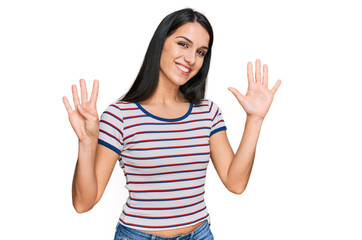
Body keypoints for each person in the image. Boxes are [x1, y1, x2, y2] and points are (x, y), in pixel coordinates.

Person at [62, 8, 281, 240]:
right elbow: (83, 203)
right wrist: (86, 142)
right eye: (183, 44)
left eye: (201, 52)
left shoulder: (207, 112)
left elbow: (235, 183)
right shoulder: (120, 116)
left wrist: (254, 119)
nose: (191, 59)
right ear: (160, 43)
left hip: (200, 234)